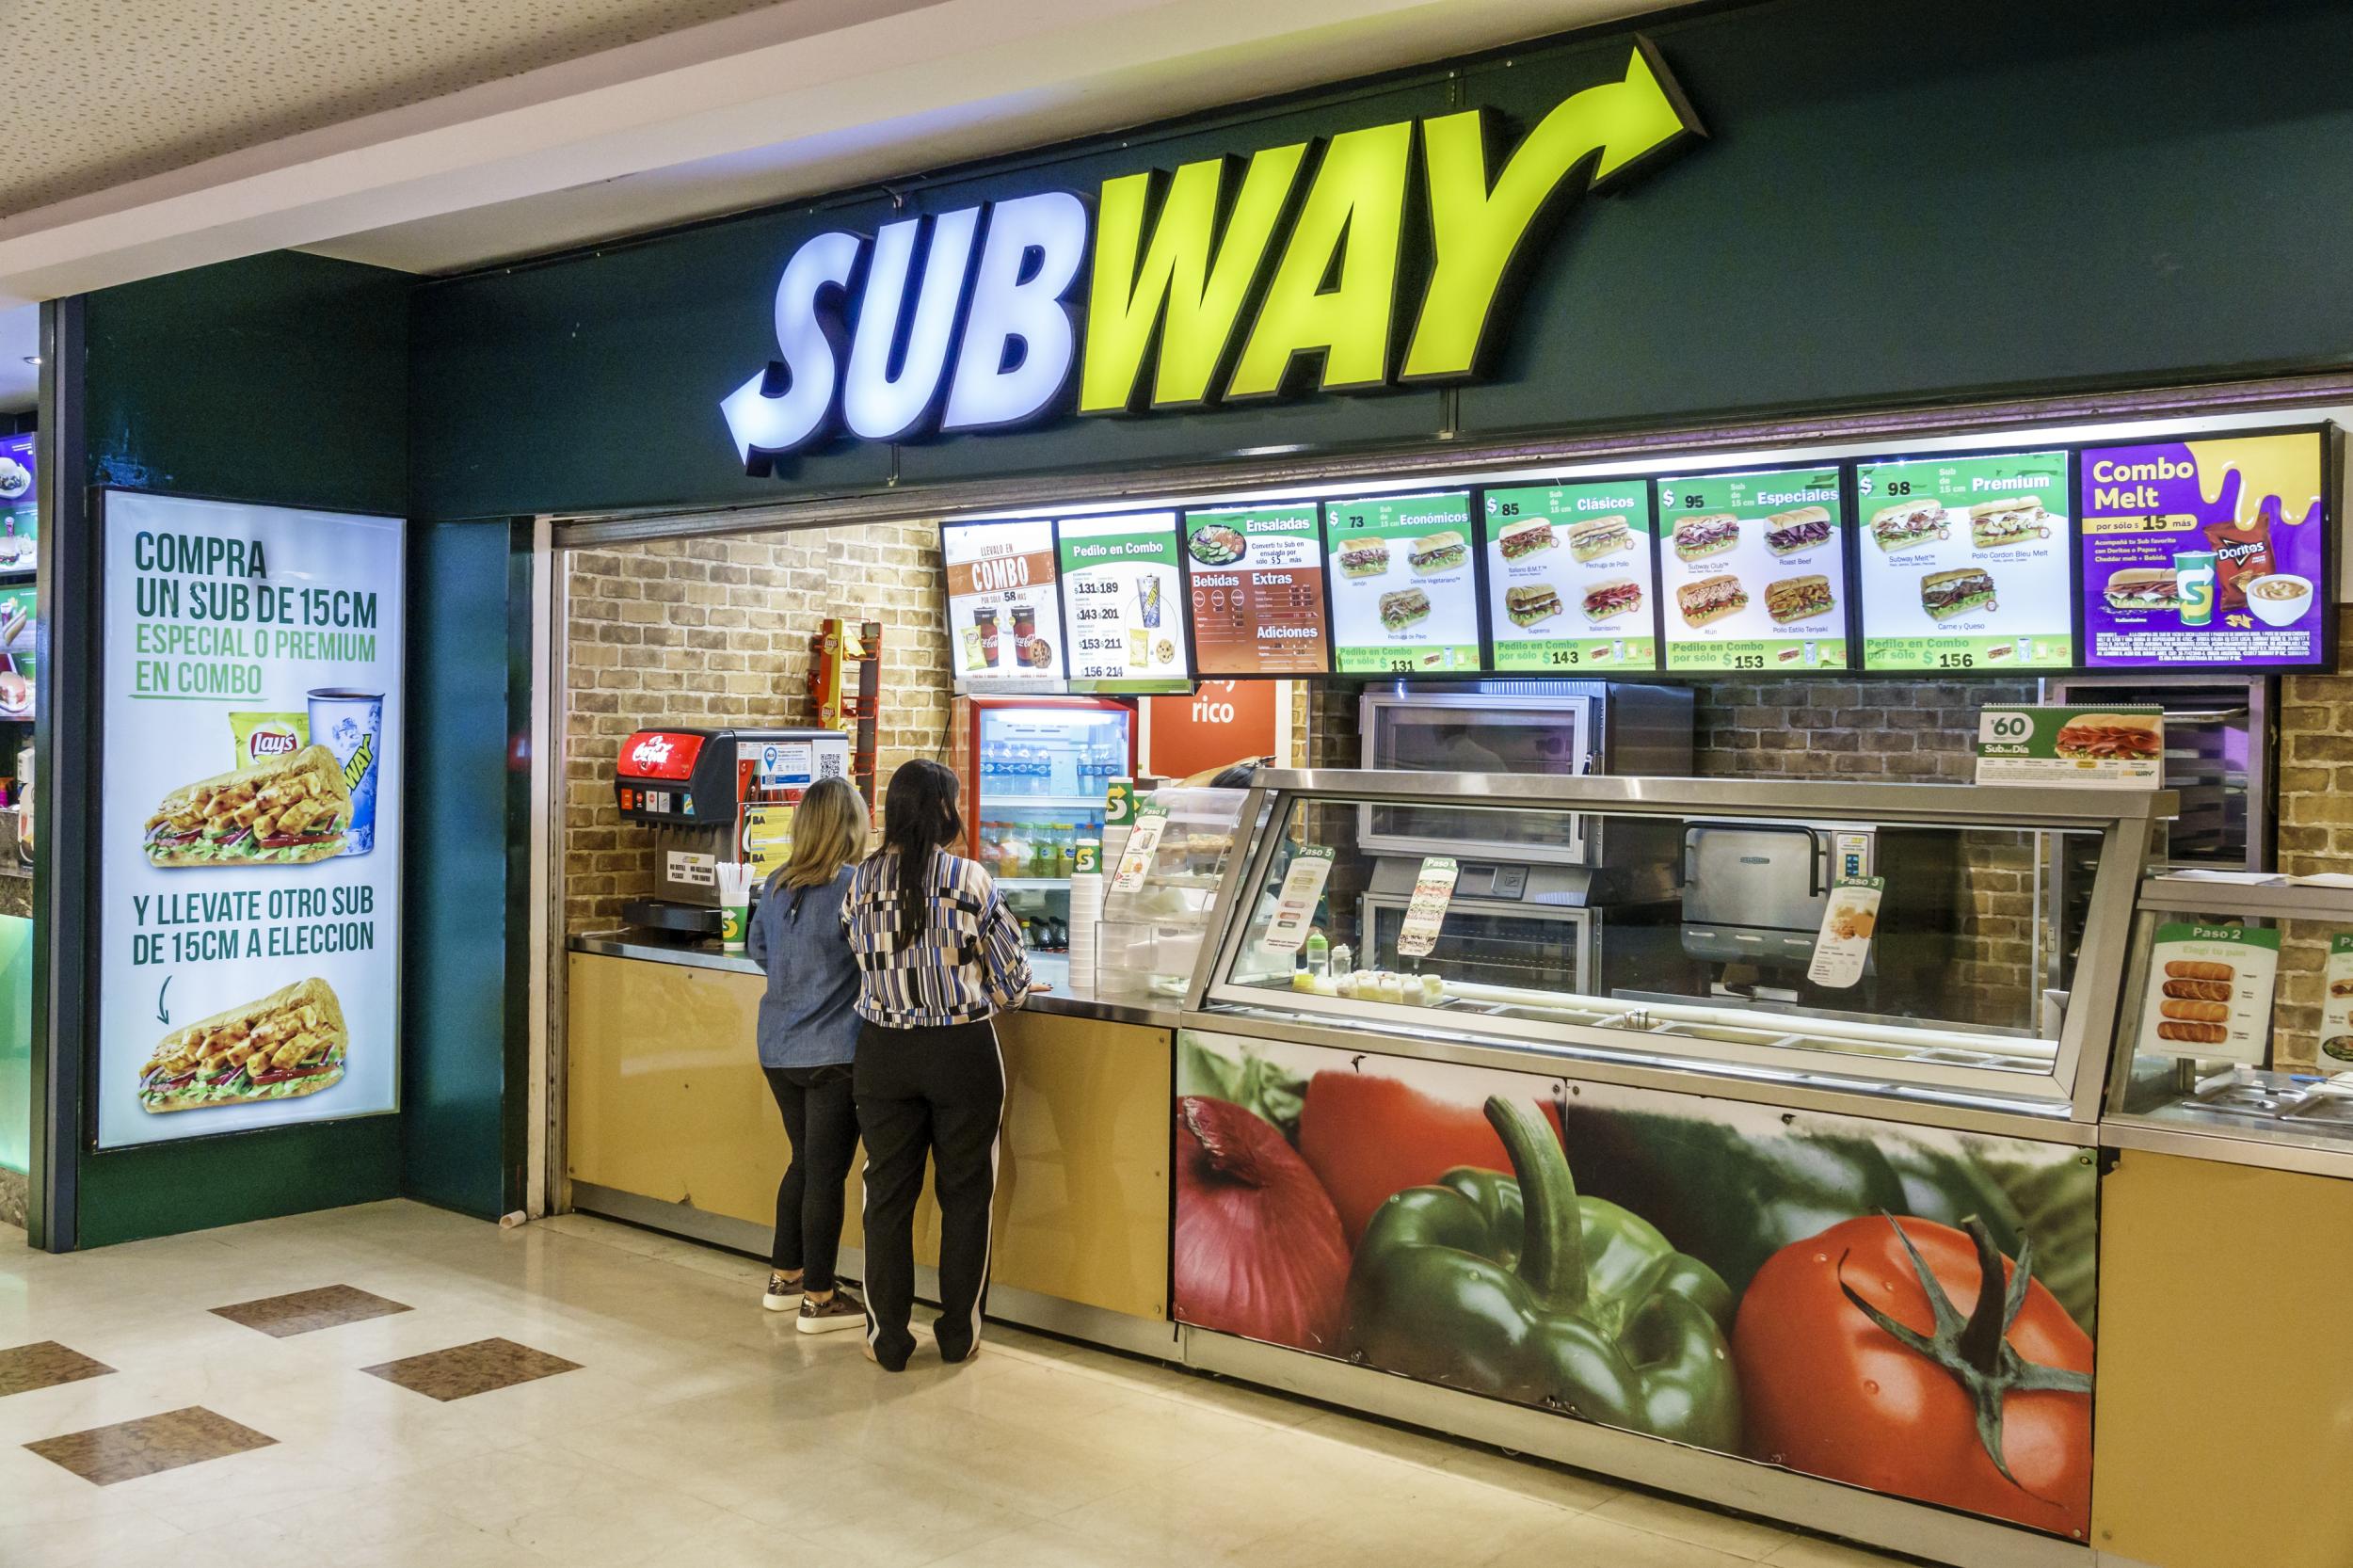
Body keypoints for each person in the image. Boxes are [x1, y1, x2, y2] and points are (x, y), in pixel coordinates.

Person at [842, 759, 1039, 1370]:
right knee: (966, 1195)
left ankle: (889, 1340)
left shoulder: (861, 883)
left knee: (888, 1197)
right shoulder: (971, 880)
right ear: (946, 810)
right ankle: (958, 1334)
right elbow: (1013, 985)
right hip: (961, 1054)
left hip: (883, 1054)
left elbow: (858, 954)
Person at [745, 776, 870, 1336]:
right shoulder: (854, 887)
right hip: (835, 1051)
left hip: (778, 1047)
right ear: (850, 826)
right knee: (826, 1172)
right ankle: (820, 1298)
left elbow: (759, 951)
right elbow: (879, 956)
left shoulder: (774, 884)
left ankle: (785, 1276)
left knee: (802, 1161)